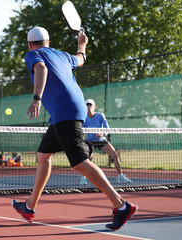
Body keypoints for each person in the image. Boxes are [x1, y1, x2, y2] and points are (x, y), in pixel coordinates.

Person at [11, 27, 137, 231]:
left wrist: (37, 98)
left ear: (29, 44)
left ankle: (121, 205)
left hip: (65, 112)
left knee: (80, 162)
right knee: (43, 156)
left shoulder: (33, 54)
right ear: (48, 41)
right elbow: (81, 58)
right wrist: (82, 44)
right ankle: (29, 206)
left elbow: (41, 69)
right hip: (67, 111)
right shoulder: (62, 55)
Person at [80, 99, 131, 185]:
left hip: (101, 140)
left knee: (114, 155)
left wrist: (102, 133)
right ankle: (83, 178)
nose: (88, 107)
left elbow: (107, 128)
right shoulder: (84, 117)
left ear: (94, 107)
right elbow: (81, 128)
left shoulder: (100, 116)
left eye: (90, 105)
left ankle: (120, 176)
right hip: (90, 141)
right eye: (87, 105)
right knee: (87, 159)